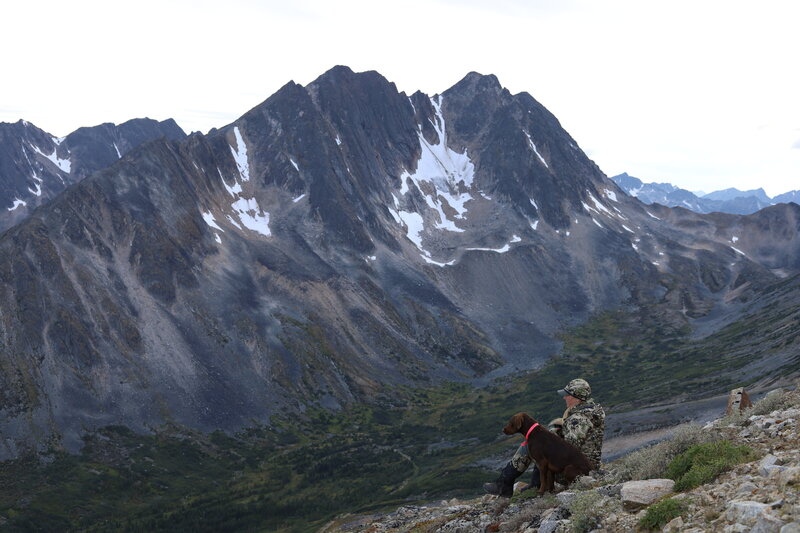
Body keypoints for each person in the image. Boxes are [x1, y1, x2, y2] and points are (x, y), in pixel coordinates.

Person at [483, 378, 605, 497]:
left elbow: (569, 448)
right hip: (583, 465)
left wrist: (553, 432)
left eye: (567, 395)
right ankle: (531, 483)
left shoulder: (579, 419)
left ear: (576, 398)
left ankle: (505, 483)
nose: (564, 398)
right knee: (538, 442)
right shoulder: (587, 412)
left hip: (575, 471)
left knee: (536, 444)